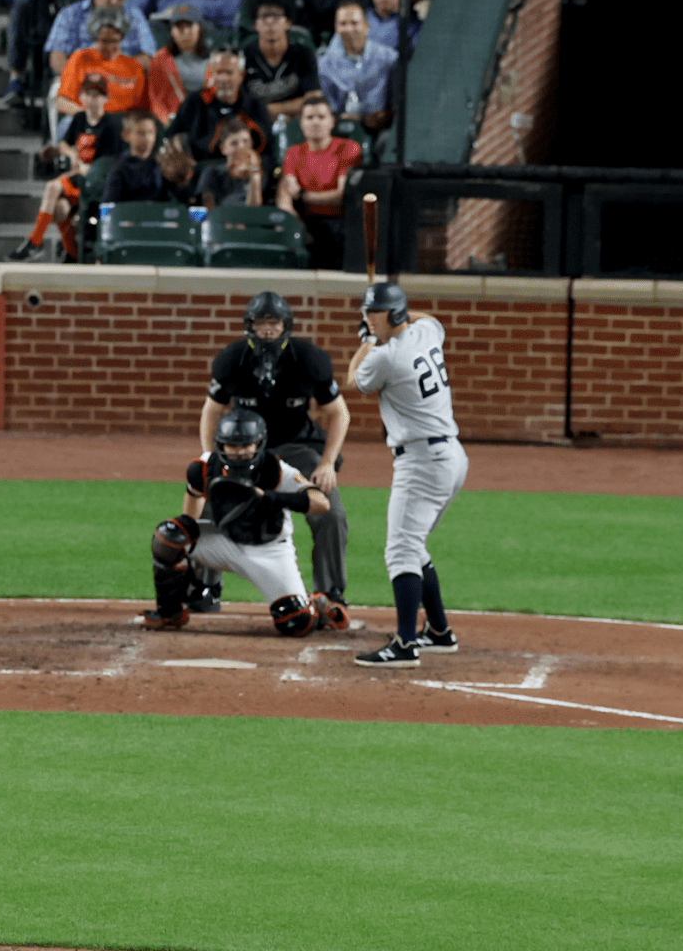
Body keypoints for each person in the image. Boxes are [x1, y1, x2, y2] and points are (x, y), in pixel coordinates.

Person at [187, 290, 354, 615]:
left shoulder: (308, 358)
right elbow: (211, 411)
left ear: (285, 325)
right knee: (212, 503)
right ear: (249, 325)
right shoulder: (232, 359)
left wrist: (327, 463)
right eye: (261, 323)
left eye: (273, 322)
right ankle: (205, 586)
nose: (267, 329)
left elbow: (339, 413)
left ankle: (330, 593)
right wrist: (210, 458)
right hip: (243, 450)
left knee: (331, 513)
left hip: (299, 446)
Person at [348, 280, 466, 667]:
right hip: (449, 456)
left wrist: (367, 340)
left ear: (395, 314)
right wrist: (385, 320)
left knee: (401, 551)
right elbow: (427, 317)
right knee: (413, 546)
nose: (367, 317)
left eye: (374, 312)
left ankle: (404, 644)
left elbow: (354, 380)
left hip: (422, 462)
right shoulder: (427, 331)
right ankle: (439, 632)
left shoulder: (386, 357)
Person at [145, 407, 331, 631]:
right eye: (232, 445)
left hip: (269, 550)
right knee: (169, 536)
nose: (239, 452)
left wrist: (270, 498)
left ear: (258, 443)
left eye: (245, 445)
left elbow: (321, 503)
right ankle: (170, 612)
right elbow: (191, 506)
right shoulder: (204, 467)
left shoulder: (274, 469)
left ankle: (317, 605)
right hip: (223, 542)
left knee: (296, 623)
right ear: (220, 444)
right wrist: (186, 535)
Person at [11, 69, 121, 261]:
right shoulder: (79, 119)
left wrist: (83, 167)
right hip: (77, 176)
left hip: (95, 181)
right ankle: (72, 253)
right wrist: (71, 153)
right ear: (81, 96)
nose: (92, 99)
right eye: (88, 94)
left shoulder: (110, 126)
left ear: (106, 98)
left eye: (98, 95)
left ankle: (34, 243)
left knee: (52, 186)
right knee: (60, 210)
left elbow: (107, 165)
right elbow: (64, 143)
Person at [274, 92, 360, 265]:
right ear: (302, 123)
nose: (315, 122)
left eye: (321, 117)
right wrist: (296, 224)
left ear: (331, 122)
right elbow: (285, 196)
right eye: (309, 117)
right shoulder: (293, 153)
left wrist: (303, 196)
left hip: (339, 223)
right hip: (304, 222)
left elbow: (341, 196)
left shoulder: (348, 148)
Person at [44, 0, 150, 74]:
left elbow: (147, 57)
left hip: (120, 78)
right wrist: (79, 77)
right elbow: (56, 58)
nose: (114, 1)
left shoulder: (135, 15)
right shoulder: (69, 14)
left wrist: (112, 71)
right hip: (78, 76)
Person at [53, 8, 149, 124]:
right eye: (104, 41)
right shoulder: (80, 58)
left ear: (121, 39)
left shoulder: (133, 67)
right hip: (87, 119)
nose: (109, 47)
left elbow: (141, 109)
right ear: (95, 38)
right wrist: (87, 117)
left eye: (114, 41)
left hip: (121, 125)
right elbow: (62, 102)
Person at [170, 49, 265, 163]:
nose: (223, 79)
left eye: (229, 73)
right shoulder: (193, 103)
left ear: (241, 75)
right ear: (211, 73)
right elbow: (172, 136)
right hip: (200, 170)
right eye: (219, 72)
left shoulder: (255, 104)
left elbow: (267, 150)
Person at [318, 0, 394, 132]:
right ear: (336, 28)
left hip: (380, 127)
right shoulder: (324, 65)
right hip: (339, 129)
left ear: (366, 26)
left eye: (354, 23)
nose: (348, 29)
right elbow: (327, 106)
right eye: (343, 24)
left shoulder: (389, 58)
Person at [239, 0, 319, 119]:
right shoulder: (244, 56)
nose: (270, 22)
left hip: (297, 123)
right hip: (257, 124)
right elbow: (241, 106)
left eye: (276, 16)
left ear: (288, 23)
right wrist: (290, 108)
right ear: (255, 25)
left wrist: (269, 110)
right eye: (263, 16)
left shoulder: (304, 54)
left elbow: (314, 100)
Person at [144, 2, 213, 123]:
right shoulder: (160, 60)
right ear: (171, 31)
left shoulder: (214, 59)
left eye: (190, 26)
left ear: (199, 28)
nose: (185, 32)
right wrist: (167, 122)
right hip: (174, 121)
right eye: (179, 27)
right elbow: (155, 99)